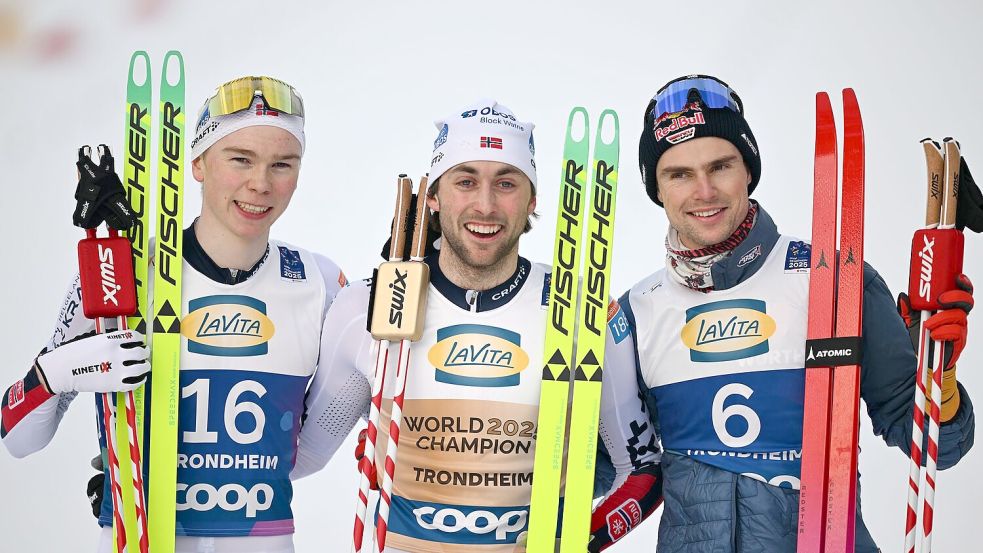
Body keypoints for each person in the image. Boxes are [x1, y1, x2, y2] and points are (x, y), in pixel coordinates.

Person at [614, 74, 977, 552]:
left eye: (720, 165)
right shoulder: (634, 315)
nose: (703, 191)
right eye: (678, 174)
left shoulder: (835, 280)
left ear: (748, 170)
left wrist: (939, 378)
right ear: (657, 189)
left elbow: (936, 449)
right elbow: (616, 465)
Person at [294, 99, 663, 552]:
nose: (485, 205)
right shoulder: (367, 306)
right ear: (433, 195)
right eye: (465, 181)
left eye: (505, 183)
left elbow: (642, 469)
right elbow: (303, 455)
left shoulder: (580, 308)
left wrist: (582, 539)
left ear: (531, 200)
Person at [1, 75, 348, 553]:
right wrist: (57, 372)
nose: (260, 183)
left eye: (282, 164)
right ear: (199, 163)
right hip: (140, 538)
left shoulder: (320, 282)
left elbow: (307, 452)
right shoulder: (118, 274)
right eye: (240, 159)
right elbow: (17, 438)